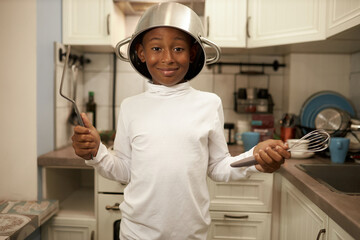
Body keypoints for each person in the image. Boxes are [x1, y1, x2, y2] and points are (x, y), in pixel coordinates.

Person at [71, 2, 290, 239]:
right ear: (141, 53)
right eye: (156, 48)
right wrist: (95, 152)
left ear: (192, 53)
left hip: (190, 234)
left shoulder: (209, 104)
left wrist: (254, 158)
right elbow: (124, 170)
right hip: (136, 233)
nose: (167, 58)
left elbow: (218, 167)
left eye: (178, 49)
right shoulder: (130, 106)